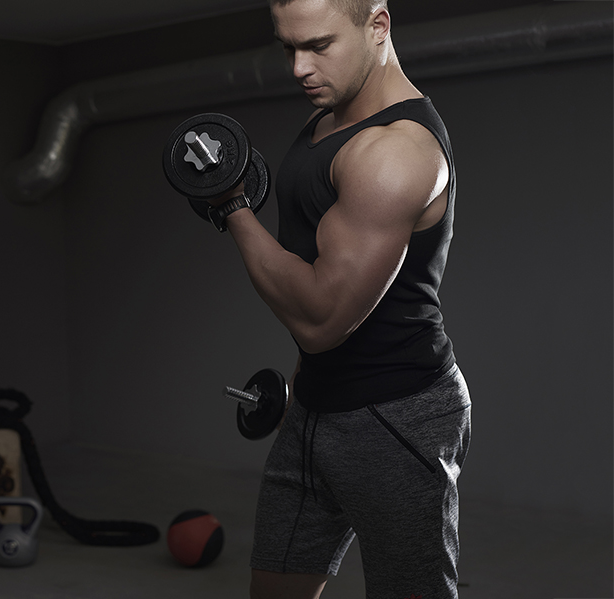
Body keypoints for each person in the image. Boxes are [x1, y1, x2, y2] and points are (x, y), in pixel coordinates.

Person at [205, 0, 472, 597]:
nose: (299, 67)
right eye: (288, 47)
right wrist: (304, 390)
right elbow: (316, 268)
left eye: (319, 46)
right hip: (314, 406)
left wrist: (232, 209)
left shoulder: (395, 151)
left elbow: (325, 317)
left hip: (395, 413)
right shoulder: (329, 120)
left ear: (377, 25)